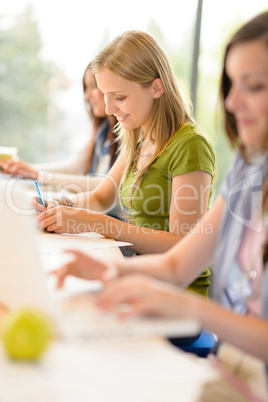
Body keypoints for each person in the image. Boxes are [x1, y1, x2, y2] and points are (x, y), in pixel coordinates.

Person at [51, 11, 268, 375]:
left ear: (155, 87)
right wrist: (104, 267)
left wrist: (189, 308)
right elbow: (174, 265)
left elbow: (177, 253)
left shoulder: (191, 145)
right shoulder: (248, 171)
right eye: (231, 85)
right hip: (231, 365)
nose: (230, 103)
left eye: (255, 86)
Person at [35, 30, 215, 303]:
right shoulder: (138, 133)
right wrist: (60, 206)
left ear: (157, 87)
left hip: (176, 296)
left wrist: (97, 222)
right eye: (105, 95)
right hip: (136, 278)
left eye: (119, 97)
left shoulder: (191, 145)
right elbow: (100, 196)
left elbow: (182, 244)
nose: (108, 108)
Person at [0, 63, 118, 193]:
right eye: (86, 88)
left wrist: (37, 175)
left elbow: (107, 186)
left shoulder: (128, 135)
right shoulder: (102, 132)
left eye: (94, 87)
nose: (87, 96)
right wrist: (27, 170)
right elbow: (72, 168)